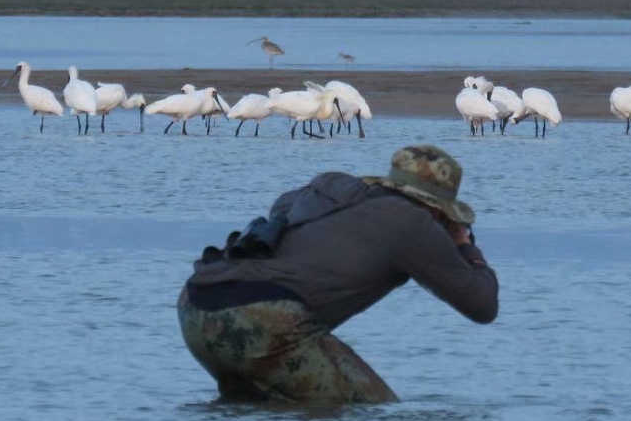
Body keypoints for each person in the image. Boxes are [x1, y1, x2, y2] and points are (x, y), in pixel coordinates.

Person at [177, 144, 498, 405]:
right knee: (369, 408)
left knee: (254, 409)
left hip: (196, 304)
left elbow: (282, 205)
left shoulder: (331, 186)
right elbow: (483, 305)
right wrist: (463, 244)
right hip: (262, 319)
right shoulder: (416, 224)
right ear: (437, 210)